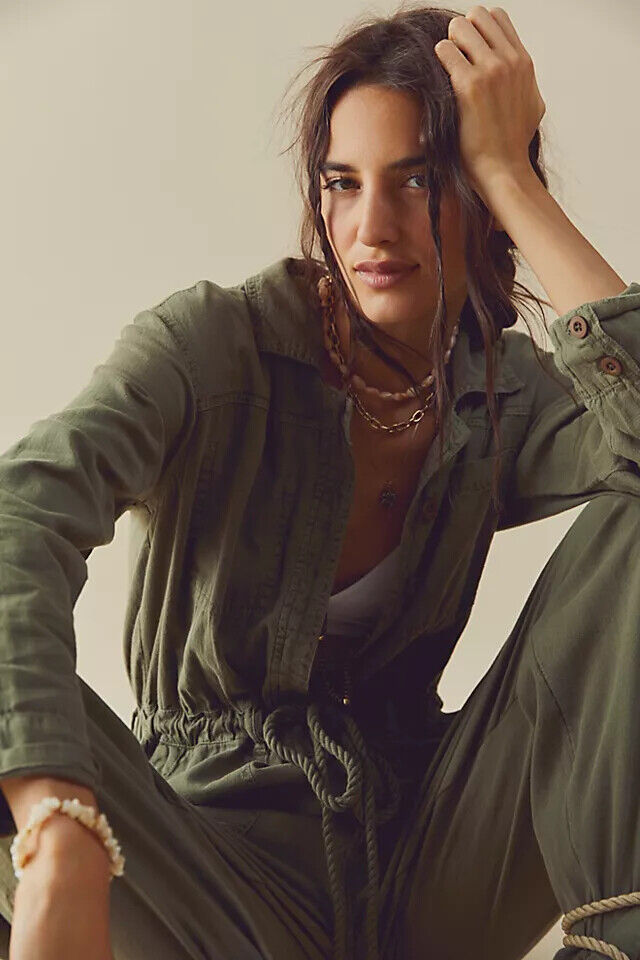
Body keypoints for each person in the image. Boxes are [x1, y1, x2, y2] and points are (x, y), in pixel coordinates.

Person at [0, 4, 638, 959]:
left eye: (418, 179)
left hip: (424, 862)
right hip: (211, 874)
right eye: (343, 183)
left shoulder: (500, 391)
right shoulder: (212, 350)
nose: (370, 227)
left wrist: (511, 174)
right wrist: (59, 826)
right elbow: (19, 517)